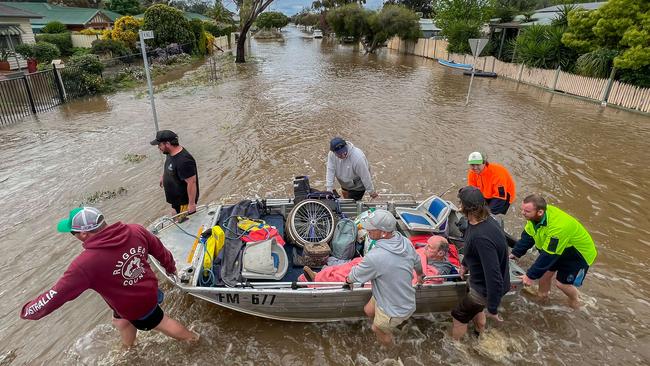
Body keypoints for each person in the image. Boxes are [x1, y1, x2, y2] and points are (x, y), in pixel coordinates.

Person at [19, 207, 198, 346]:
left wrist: (29, 311)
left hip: (136, 304)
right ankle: (129, 348)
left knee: (161, 322)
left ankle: (193, 339)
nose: (72, 236)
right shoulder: (136, 230)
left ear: (83, 234)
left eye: (72, 232)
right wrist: (171, 268)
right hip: (142, 290)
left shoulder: (84, 264)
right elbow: (159, 249)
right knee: (120, 321)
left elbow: (57, 295)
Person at [345, 209, 424, 346]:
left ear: (384, 232)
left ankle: (390, 350)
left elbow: (355, 275)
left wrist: (347, 280)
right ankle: (385, 326)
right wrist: (420, 275)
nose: (367, 228)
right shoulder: (405, 242)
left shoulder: (375, 257)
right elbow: (417, 261)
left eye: (371, 228)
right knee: (368, 310)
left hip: (396, 308)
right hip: (388, 295)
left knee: (377, 328)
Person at [510, 194, 597, 309]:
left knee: (561, 284)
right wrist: (514, 254)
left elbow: (548, 255)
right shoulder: (534, 217)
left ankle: (576, 300)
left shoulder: (558, 227)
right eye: (522, 209)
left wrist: (530, 276)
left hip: (577, 254)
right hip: (559, 248)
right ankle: (542, 297)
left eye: (527, 211)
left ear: (540, 212)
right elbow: (528, 236)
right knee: (545, 275)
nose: (523, 213)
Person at [451, 186, 510, 341]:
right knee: (477, 310)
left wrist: (493, 307)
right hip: (479, 281)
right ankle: (479, 335)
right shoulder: (483, 220)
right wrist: (464, 264)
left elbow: (494, 275)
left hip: (483, 289)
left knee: (459, 315)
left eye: (460, 202)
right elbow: (471, 249)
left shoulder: (481, 238)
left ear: (464, 206)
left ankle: (457, 349)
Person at [151, 130, 199, 215]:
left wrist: (191, 204)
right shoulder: (170, 152)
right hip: (176, 201)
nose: (158, 147)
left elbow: (192, 182)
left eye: (159, 145)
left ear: (168, 144)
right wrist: (164, 176)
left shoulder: (184, 161)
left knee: (184, 224)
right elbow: (170, 165)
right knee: (175, 217)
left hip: (184, 203)